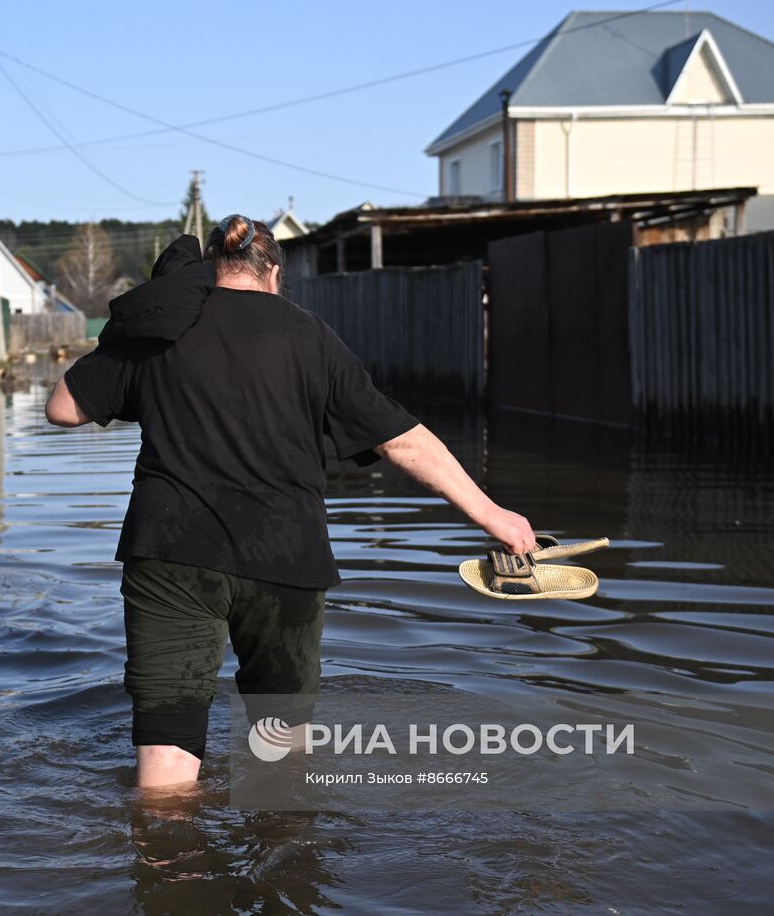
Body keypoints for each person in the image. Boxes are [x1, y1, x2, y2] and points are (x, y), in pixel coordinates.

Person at [46, 216, 534, 789]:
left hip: (171, 556)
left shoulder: (162, 326)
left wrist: (143, 321)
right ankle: (279, 840)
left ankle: (165, 846)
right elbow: (400, 440)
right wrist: (492, 514)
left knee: (167, 761)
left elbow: (63, 408)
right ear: (274, 272)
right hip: (285, 560)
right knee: (280, 753)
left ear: (210, 270)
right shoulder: (309, 335)